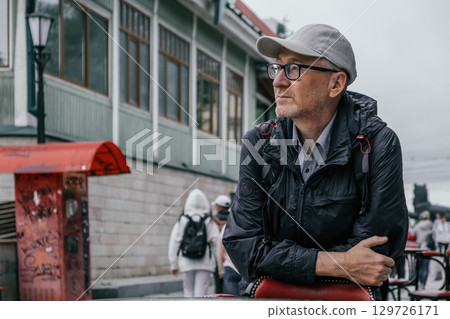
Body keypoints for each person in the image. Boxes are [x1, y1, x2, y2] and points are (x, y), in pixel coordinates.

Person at [223, 24, 409, 300]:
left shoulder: (378, 143)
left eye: (294, 69)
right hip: (269, 302)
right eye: (278, 68)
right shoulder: (259, 143)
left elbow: (375, 256)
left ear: (336, 84)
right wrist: (340, 263)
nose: (278, 81)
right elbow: (243, 246)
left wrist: (282, 260)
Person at [168, 189, 219, 297]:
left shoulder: (182, 220)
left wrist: (173, 264)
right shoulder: (209, 221)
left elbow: (174, 242)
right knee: (201, 294)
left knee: (188, 292)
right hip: (205, 263)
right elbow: (216, 244)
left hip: (186, 262)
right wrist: (219, 264)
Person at [211, 194, 232, 293]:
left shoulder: (213, 220)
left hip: (218, 256)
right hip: (231, 259)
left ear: (219, 207)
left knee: (218, 288)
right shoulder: (233, 219)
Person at [410, 211, 433, 290]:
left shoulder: (418, 225)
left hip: (419, 246)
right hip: (428, 246)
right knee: (426, 267)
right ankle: (424, 284)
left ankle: (420, 284)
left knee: (420, 267)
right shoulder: (431, 224)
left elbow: (412, 233)